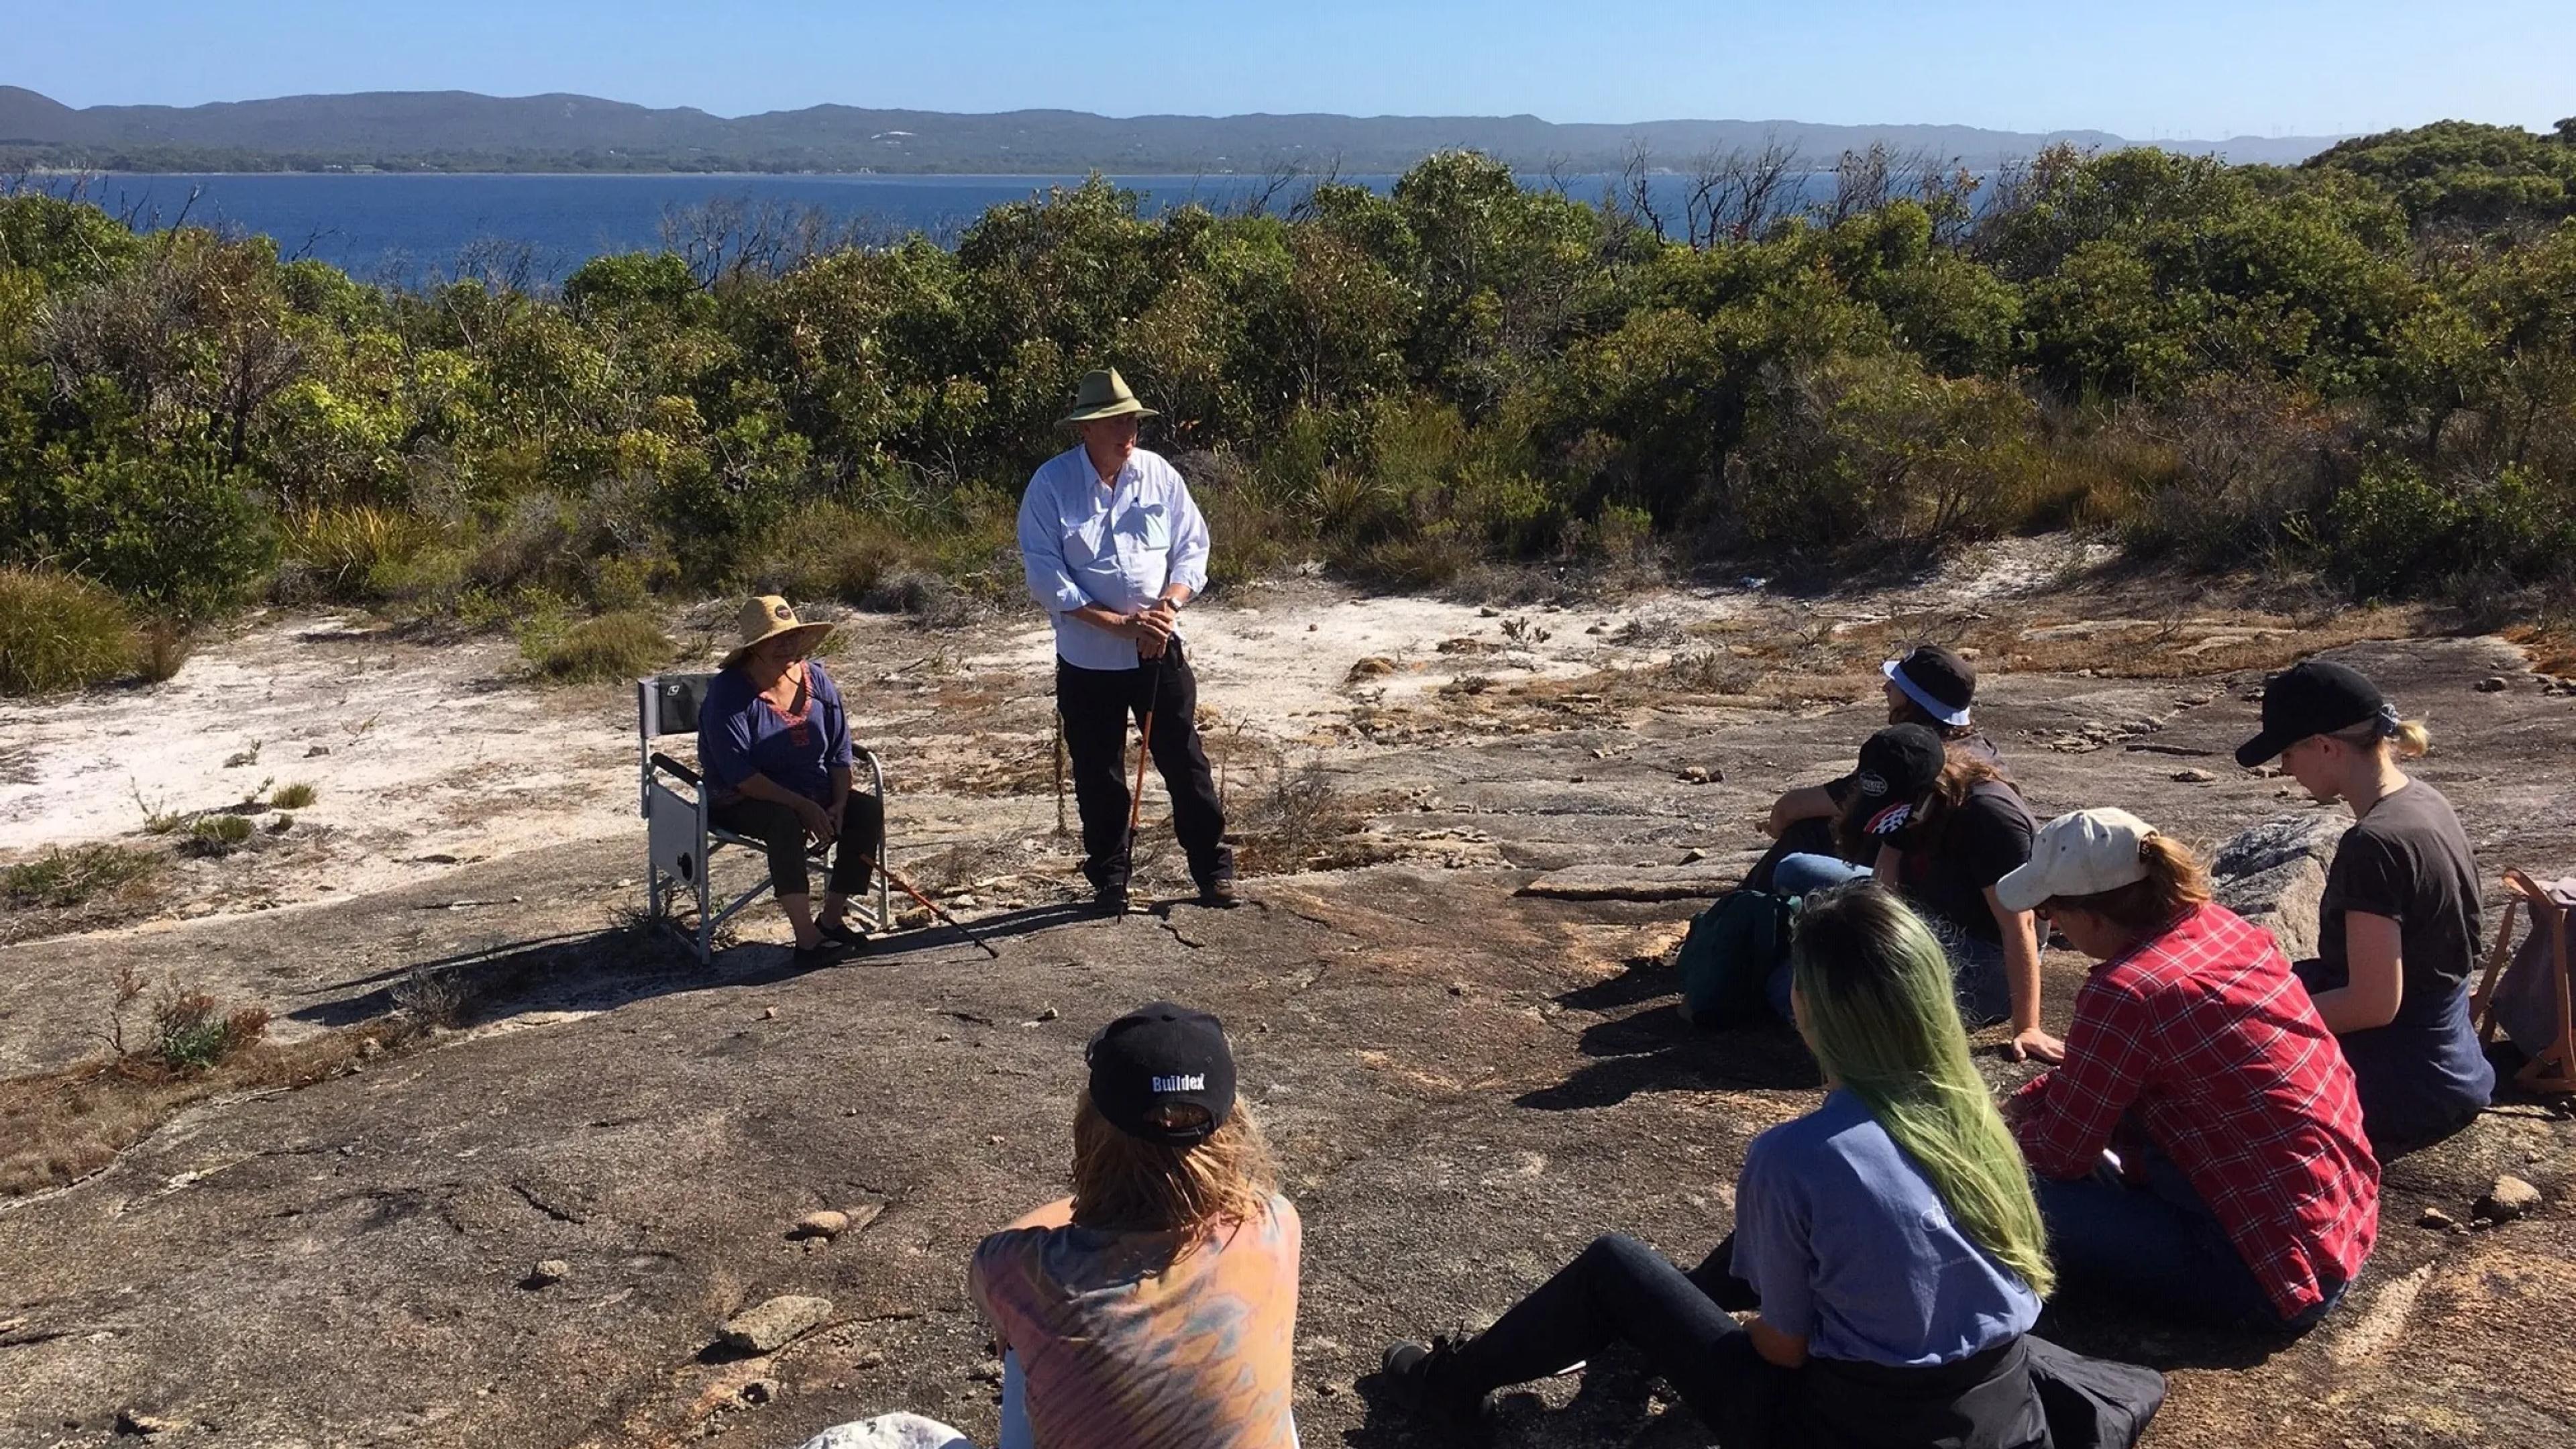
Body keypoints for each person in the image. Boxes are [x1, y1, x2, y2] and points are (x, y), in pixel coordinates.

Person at [1383, 883, 2161, 1449]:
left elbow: (1783, 1350)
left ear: (1808, 1008)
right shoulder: (1977, 1119)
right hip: (1999, 1412)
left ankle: (1448, 1390)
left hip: (1846, 1428)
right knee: (1766, 1243)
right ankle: (1640, 1323)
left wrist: (1709, 1336)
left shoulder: (1795, 1157)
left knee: (1616, 1269)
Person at [2000, 808, 2379, 1332]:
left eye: (2051, 911)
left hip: (2260, 1274)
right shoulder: (2220, 928)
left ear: (2092, 917)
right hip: (2336, 1228)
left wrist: (1991, 1135)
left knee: (1983, 1188)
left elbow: (2060, 1154)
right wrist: (2023, 1105)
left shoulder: (2127, 992)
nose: (2050, 924)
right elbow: (2097, 1076)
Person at [969, 1002, 1299, 1449]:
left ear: (1090, 1128)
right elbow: (1234, 1188)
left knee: (1018, 1352)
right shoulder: (1275, 1221)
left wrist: (1108, 1190)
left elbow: (999, 1249)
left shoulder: (1016, 1270)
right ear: (1232, 1125)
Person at [2236, 659, 2495, 1155]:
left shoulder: (2373, 844)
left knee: (2203, 1100)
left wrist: (2252, 1019)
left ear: (2326, 746)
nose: (2285, 769)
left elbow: (2372, 1003)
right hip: (2452, 1058)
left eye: (2288, 753)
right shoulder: (2424, 802)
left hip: (2407, 1080)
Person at [1018, 368, 1234, 914]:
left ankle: (1213, 871)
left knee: (1185, 764)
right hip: (1089, 659)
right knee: (1099, 775)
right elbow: (1047, 578)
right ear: (1085, 429)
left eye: (1133, 419)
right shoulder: (1050, 484)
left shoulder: (1159, 476)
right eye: (1115, 421)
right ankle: (1110, 880)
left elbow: (1192, 549)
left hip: (1159, 649)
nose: (1127, 430)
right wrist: (1116, 625)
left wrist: (1169, 606)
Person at [1768, 724, 2058, 1061]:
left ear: (1930, 790)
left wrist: (2028, 1026)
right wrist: (1863, 938)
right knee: (1793, 869)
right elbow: (1884, 887)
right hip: (1927, 904)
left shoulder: (1989, 818)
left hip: (1983, 947)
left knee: (1790, 992)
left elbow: (2019, 925)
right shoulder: (1904, 797)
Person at [697, 595, 882, 962]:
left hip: (812, 789)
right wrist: (802, 806)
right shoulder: (728, 694)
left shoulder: (818, 679)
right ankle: (807, 939)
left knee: (865, 811)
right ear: (754, 649)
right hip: (743, 798)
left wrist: (839, 802)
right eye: (776, 639)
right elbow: (742, 776)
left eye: (792, 636)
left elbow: (840, 750)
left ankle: (831, 919)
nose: (788, 645)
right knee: (782, 821)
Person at [1756, 643, 1999, 873]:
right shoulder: (1983, 751)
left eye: (1898, 684)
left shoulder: (1910, 757)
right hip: (1963, 879)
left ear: (1916, 700)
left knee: (1807, 837)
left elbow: (1792, 808)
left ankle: (1744, 912)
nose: (1886, 688)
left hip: (1918, 885)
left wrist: (1777, 826)